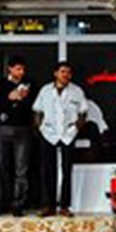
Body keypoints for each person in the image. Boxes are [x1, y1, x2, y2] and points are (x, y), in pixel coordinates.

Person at [33, 61, 87, 216]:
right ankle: (47, 206)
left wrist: (76, 128)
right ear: (56, 73)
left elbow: (83, 112)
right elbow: (37, 111)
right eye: (63, 71)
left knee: (67, 171)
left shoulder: (77, 91)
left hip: (68, 134)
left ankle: (64, 206)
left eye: (69, 72)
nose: (66, 75)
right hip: (48, 133)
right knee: (47, 171)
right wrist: (41, 128)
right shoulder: (45, 91)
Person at [0, 55, 35, 216]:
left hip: (23, 129)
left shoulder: (30, 84)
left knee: (21, 169)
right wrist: (9, 98)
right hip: (4, 128)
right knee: (1, 166)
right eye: (18, 69)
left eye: (23, 69)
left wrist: (24, 98)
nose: (21, 72)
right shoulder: (1, 85)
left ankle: (18, 205)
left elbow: (35, 106)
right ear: (10, 68)